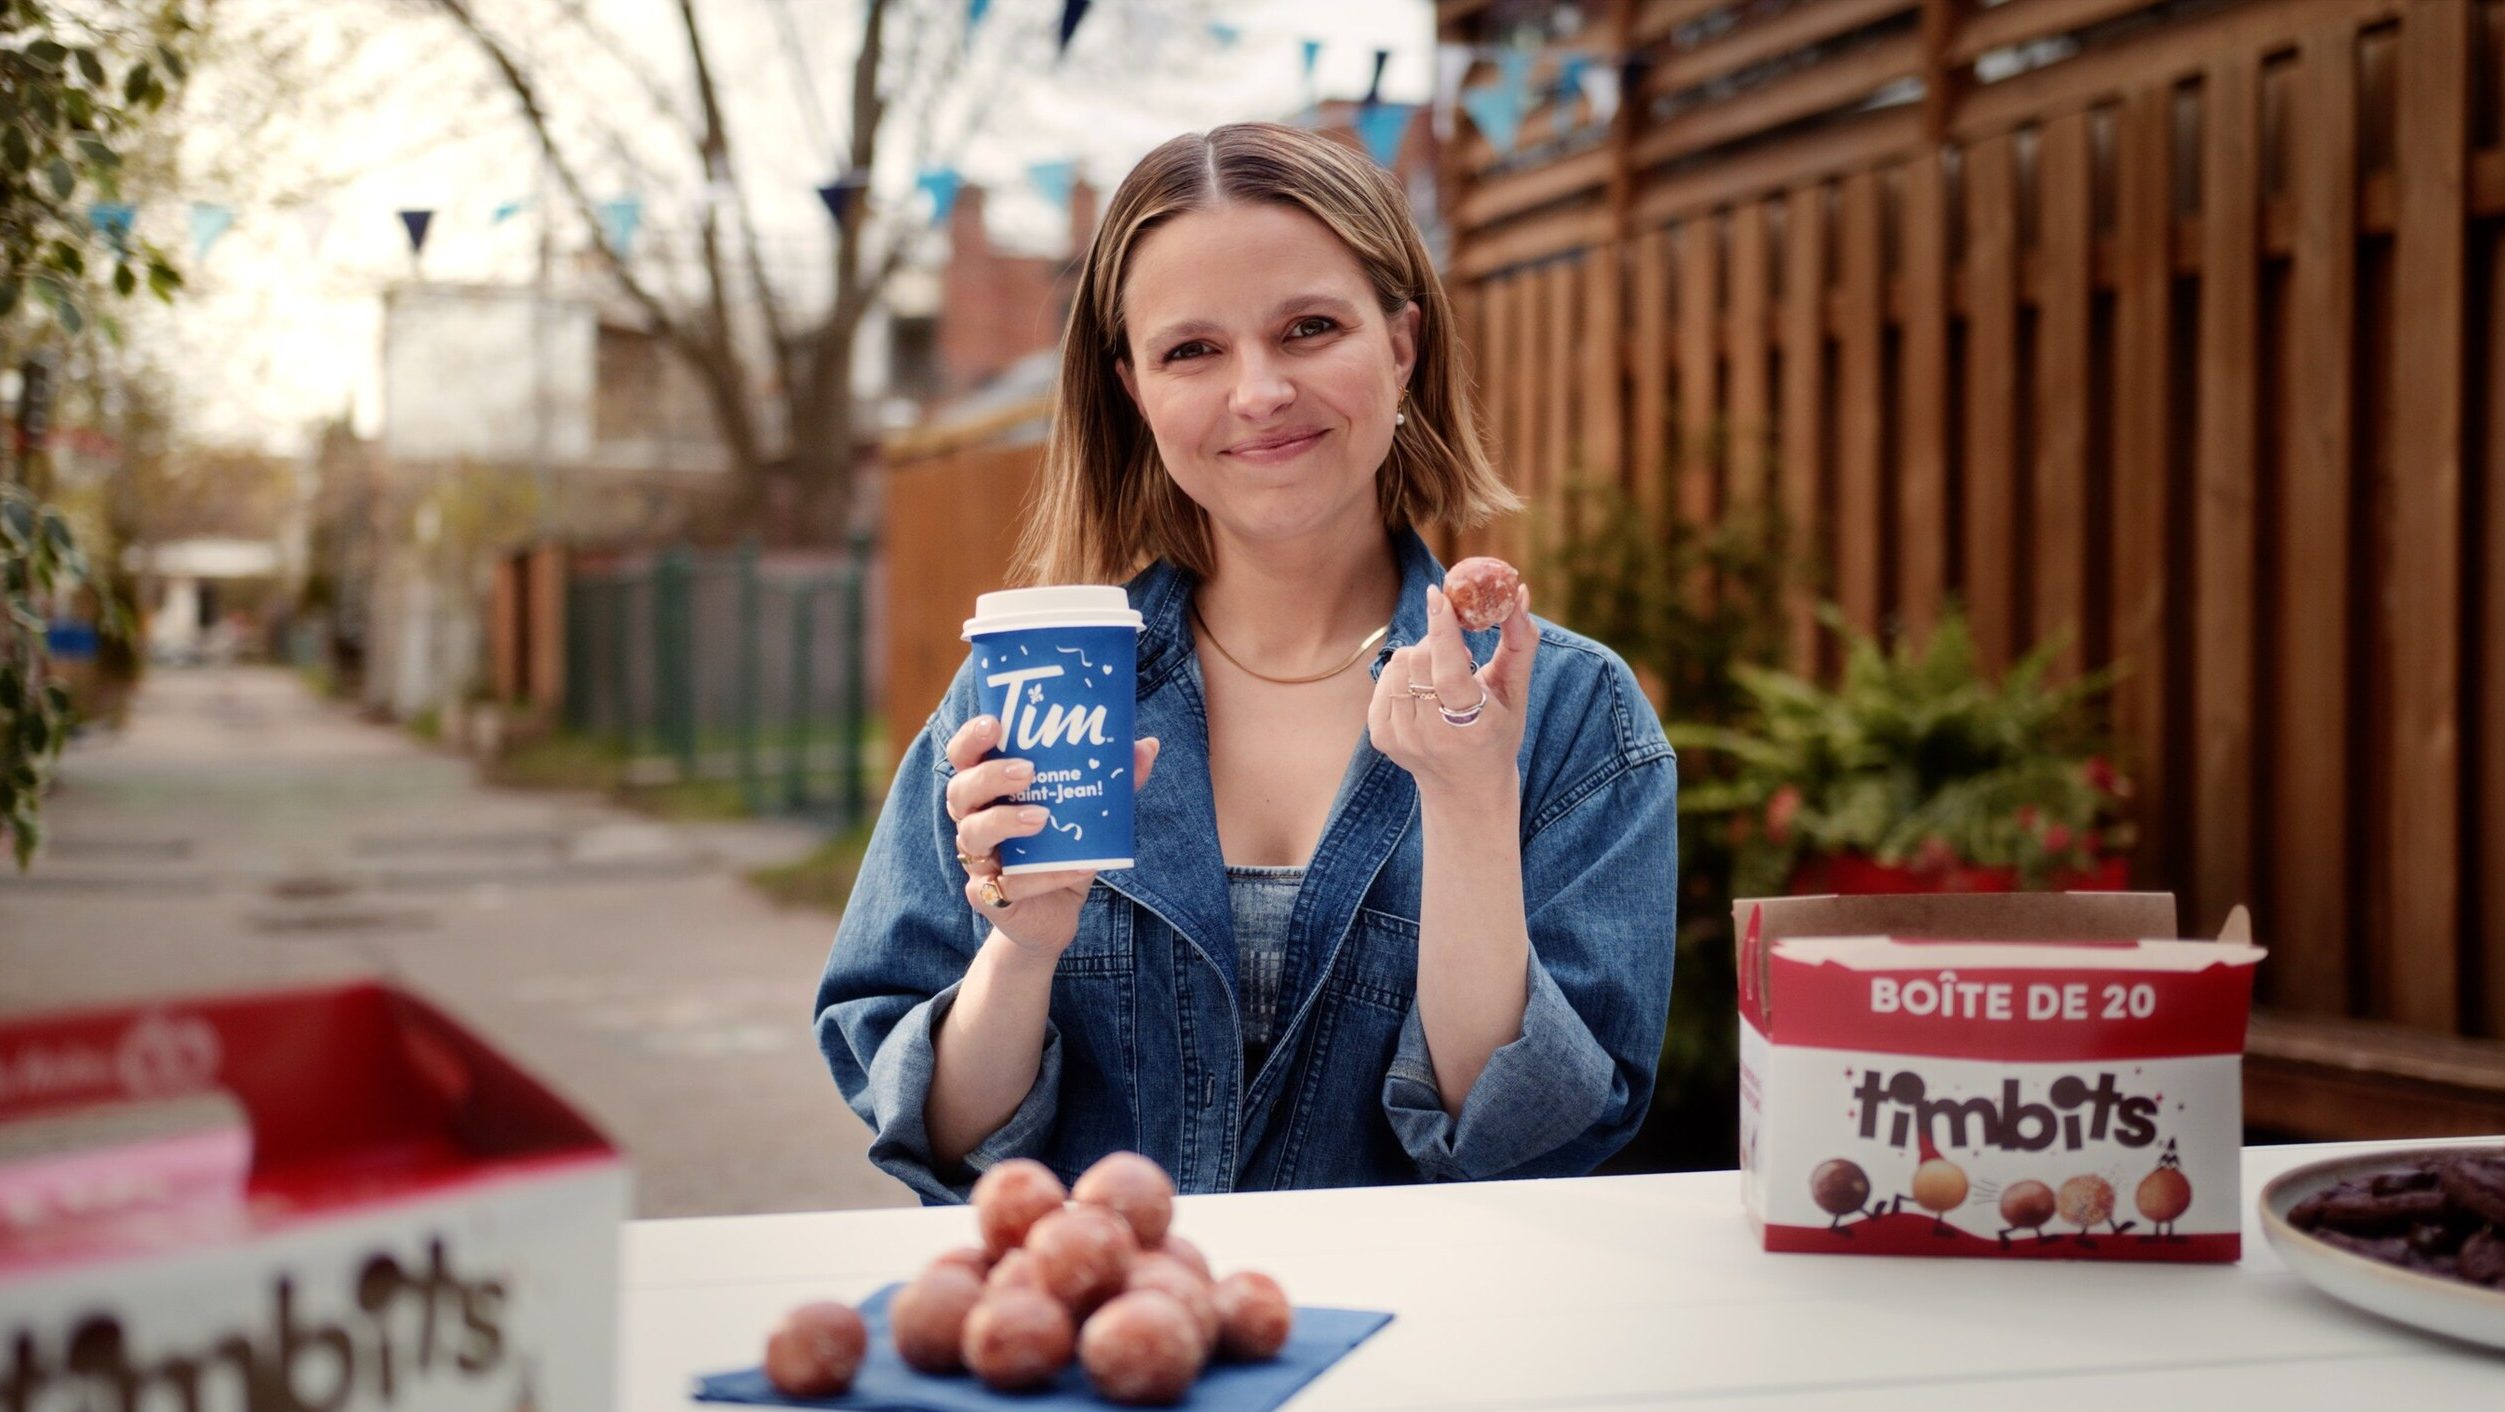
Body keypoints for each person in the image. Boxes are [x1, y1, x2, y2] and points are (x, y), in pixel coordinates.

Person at [816, 121, 1675, 1202]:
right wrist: (1022, 952)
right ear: (1135, 390)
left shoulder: (1572, 713)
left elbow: (1526, 1143)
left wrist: (1467, 801)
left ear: (1401, 345)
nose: (1259, 391)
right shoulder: (1030, 694)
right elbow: (932, 1135)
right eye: (1192, 350)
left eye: (1309, 328)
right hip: (1110, 1307)